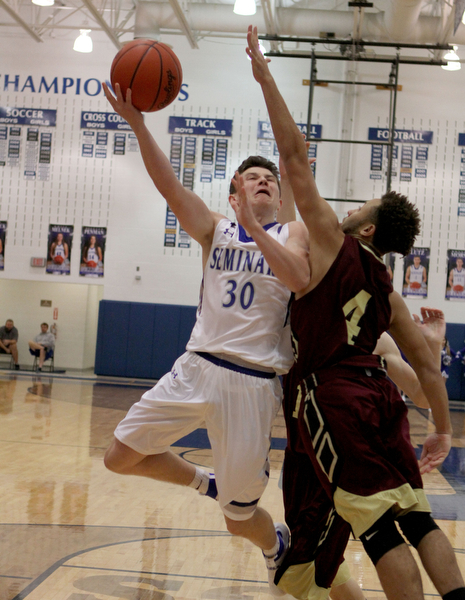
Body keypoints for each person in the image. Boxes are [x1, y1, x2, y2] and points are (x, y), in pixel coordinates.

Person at [246, 25, 464, 600]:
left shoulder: (328, 242)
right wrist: (442, 427)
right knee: (418, 520)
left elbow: (292, 156)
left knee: (376, 530)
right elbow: (426, 363)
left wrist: (267, 78)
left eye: (361, 205)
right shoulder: (388, 287)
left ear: (366, 228)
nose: (349, 207)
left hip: (332, 397)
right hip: (381, 400)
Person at [101, 80, 311, 589]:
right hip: (196, 366)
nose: (262, 182)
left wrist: (265, 227)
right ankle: (206, 482)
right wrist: (137, 124)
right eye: (251, 178)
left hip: (254, 382)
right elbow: (170, 186)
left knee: (238, 520)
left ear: (281, 196)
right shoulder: (215, 229)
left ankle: (273, 542)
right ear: (234, 191)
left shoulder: (296, 232)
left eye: (269, 180)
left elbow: (300, 279)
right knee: (119, 457)